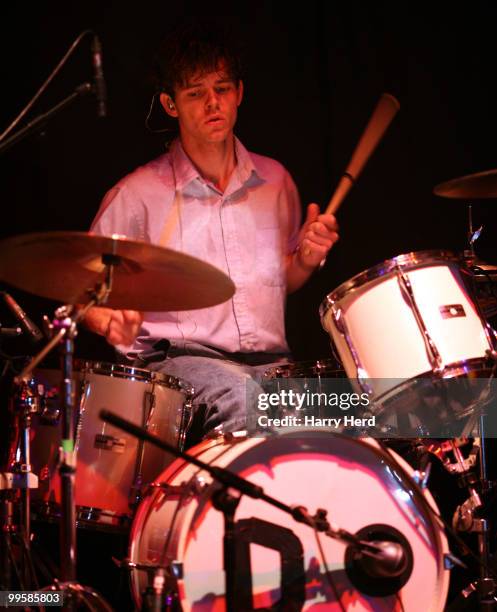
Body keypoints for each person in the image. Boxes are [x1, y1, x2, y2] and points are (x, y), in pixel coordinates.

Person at [84, 21, 339, 438]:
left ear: (239, 92)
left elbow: (280, 282)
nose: (212, 104)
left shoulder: (275, 181)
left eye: (221, 89)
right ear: (170, 104)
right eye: (195, 93)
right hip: (180, 367)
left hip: (274, 365)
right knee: (246, 401)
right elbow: (81, 287)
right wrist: (107, 319)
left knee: (358, 409)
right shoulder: (138, 194)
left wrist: (306, 260)